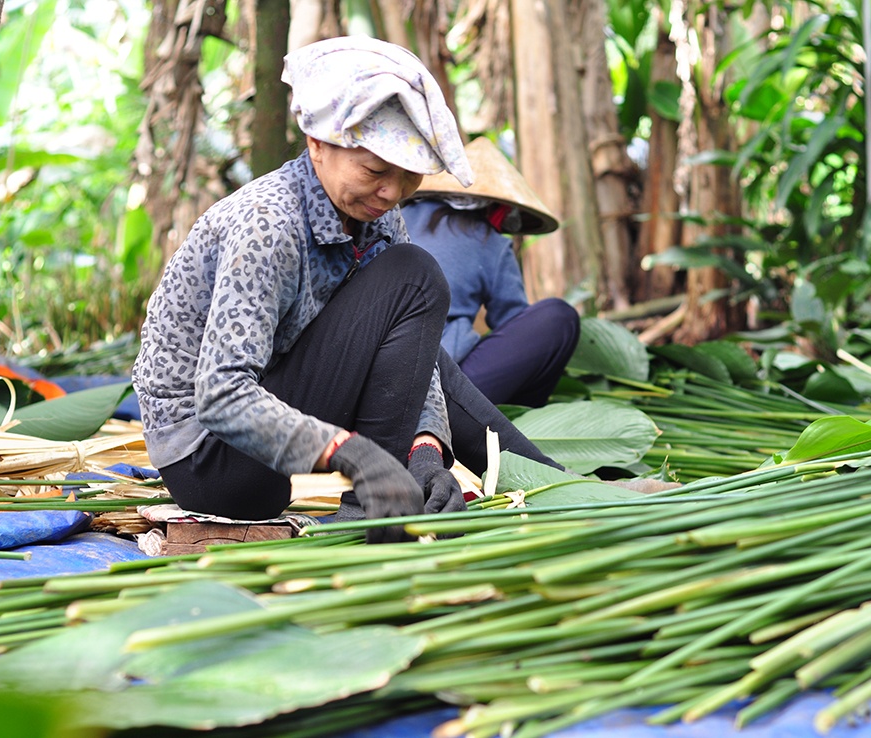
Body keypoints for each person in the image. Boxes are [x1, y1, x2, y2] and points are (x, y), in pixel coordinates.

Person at [131, 36, 562, 544]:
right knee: (415, 276)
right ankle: (373, 510)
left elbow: (412, 355)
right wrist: (353, 455)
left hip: (271, 438)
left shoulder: (378, 217)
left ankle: (560, 490)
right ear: (317, 143)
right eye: (376, 171)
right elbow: (223, 396)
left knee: (424, 329)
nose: (391, 193)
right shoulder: (267, 224)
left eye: (408, 178)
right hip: (212, 462)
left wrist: (424, 453)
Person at [401, 137, 581, 408]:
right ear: (497, 209)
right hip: (436, 390)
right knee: (559, 319)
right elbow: (511, 321)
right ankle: (518, 420)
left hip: (378, 378)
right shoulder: (488, 239)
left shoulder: (396, 217)